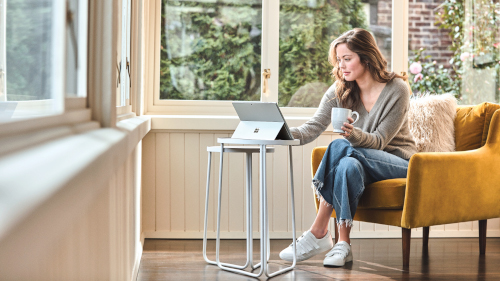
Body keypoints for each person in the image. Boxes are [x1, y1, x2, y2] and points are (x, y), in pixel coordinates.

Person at [279, 28, 417, 267]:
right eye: (339, 60)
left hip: (397, 162)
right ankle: (343, 244)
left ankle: (318, 229)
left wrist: (352, 134)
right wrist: (281, 134)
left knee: (343, 146)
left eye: (347, 59)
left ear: (366, 57)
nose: (341, 66)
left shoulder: (397, 89)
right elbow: (313, 127)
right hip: (360, 160)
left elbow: (379, 141)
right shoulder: (340, 89)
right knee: (347, 165)